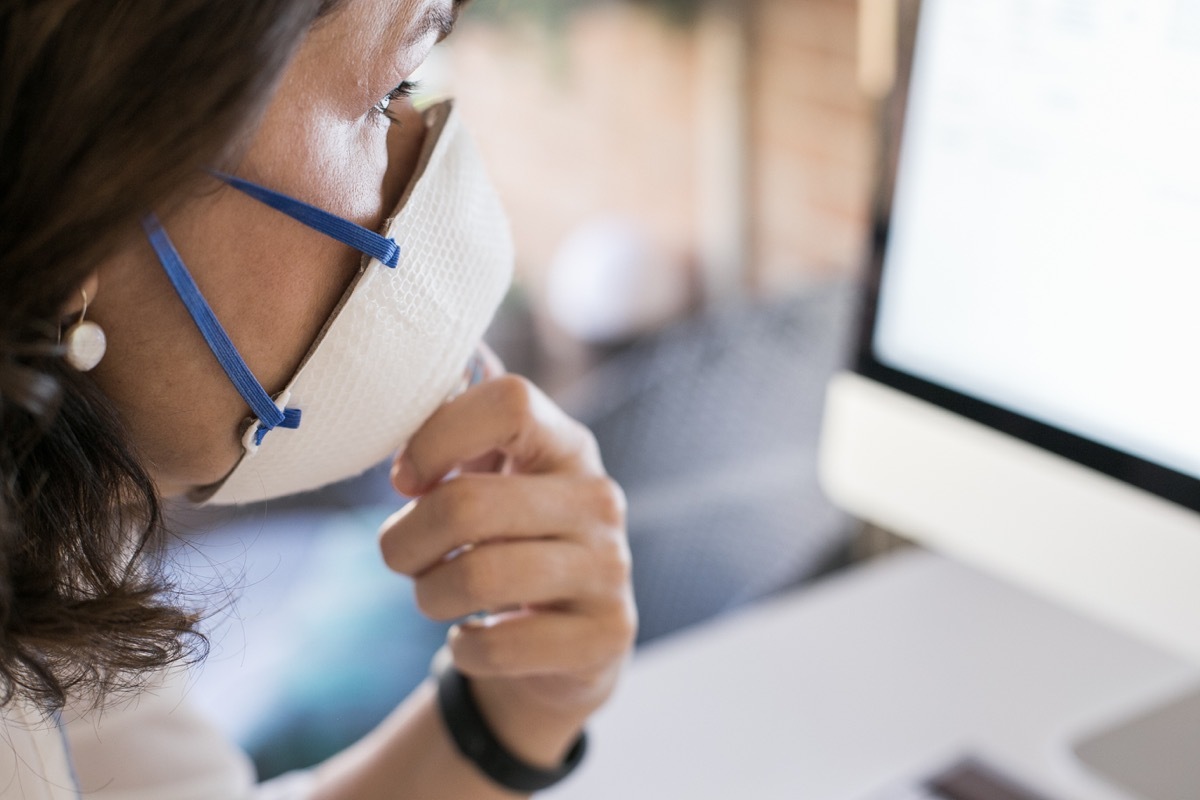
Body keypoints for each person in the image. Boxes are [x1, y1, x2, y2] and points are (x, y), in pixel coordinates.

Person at [0, 2, 637, 798]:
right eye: (385, 93)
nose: (428, 141)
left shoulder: (45, 540)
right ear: (80, 180)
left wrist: (513, 712)